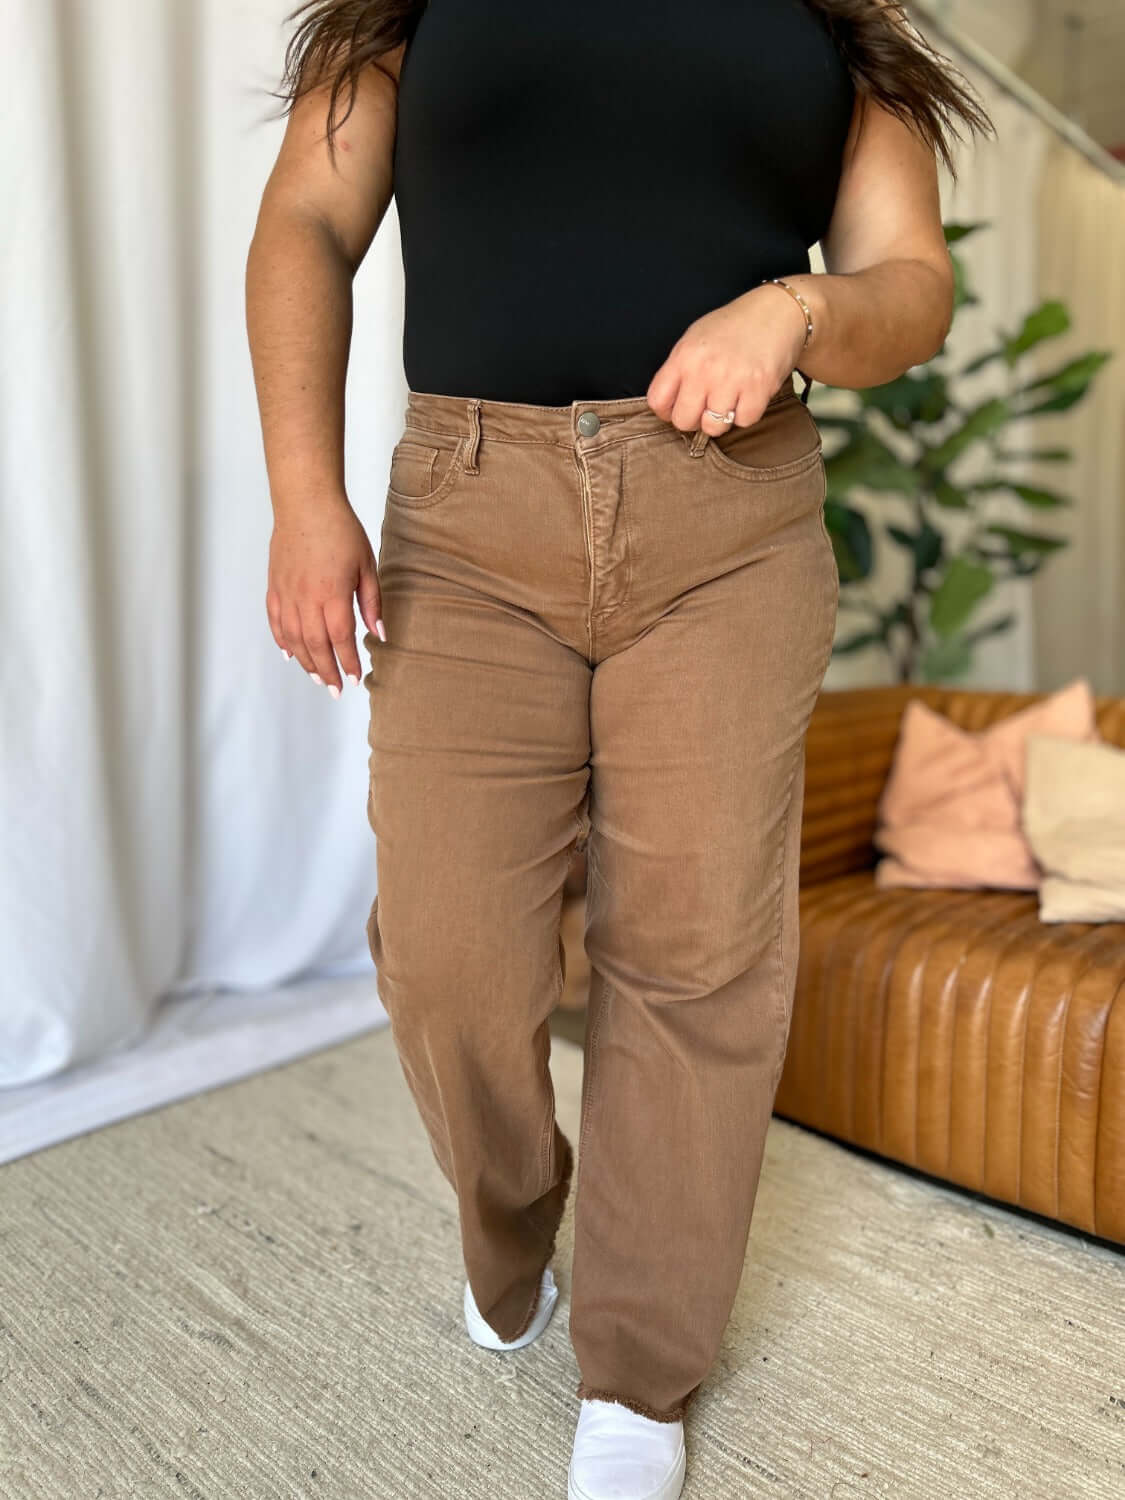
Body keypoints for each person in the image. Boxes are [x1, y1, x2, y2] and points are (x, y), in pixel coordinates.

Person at [245, 4, 993, 1495]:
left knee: (694, 949)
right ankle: (514, 1214)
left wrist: (792, 310)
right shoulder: (409, 16)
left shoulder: (832, 35)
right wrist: (303, 495)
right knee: (449, 953)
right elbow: (305, 223)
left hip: (729, 521)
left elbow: (910, 286)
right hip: (469, 510)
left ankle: (639, 1369)